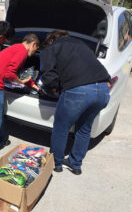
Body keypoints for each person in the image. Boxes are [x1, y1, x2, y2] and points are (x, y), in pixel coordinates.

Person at [40, 30, 111, 175]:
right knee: (84, 128)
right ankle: (75, 164)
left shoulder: (51, 48)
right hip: (103, 89)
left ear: (50, 41)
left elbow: (48, 77)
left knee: (61, 127)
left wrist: (55, 88)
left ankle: (56, 163)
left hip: (79, 91)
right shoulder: (82, 45)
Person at [0, 33, 40, 163]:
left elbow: (12, 72)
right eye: (36, 50)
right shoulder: (22, 52)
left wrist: (33, 86)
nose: (35, 53)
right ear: (33, 44)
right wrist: (21, 82)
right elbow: (10, 73)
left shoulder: (16, 48)